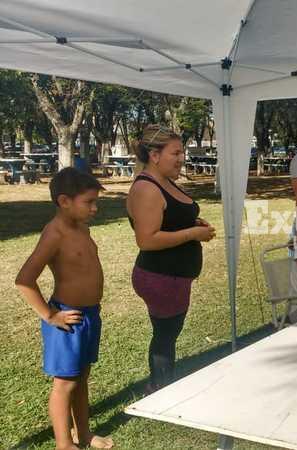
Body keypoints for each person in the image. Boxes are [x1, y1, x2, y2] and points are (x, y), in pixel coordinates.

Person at [15, 168, 114, 450]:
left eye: (96, 202)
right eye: (89, 202)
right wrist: (50, 315)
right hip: (67, 318)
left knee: (81, 378)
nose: (95, 208)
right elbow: (24, 280)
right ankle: (63, 444)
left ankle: (82, 434)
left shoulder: (82, 228)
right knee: (65, 384)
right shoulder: (54, 234)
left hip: (89, 315)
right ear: (64, 201)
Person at [127, 125, 215, 392]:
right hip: (161, 277)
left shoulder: (163, 182)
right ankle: (161, 389)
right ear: (155, 155)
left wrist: (192, 222)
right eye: (175, 153)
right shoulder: (147, 188)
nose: (181, 158)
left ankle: (162, 384)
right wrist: (192, 233)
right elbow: (147, 239)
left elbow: (170, 219)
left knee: (167, 334)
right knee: (165, 336)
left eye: (182, 152)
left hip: (172, 277)